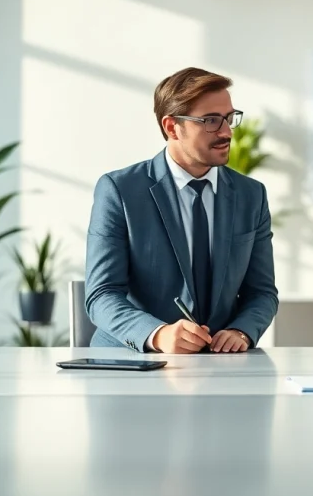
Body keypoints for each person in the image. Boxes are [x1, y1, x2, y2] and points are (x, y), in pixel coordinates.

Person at [84, 67, 278, 353]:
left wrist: (241, 330)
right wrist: (157, 334)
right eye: (210, 120)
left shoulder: (252, 195)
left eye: (229, 118)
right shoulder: (119, 190)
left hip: (222, 365)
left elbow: (262, 292)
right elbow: (101, 295)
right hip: (133, 365)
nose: (226, 132)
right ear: (172, 127)